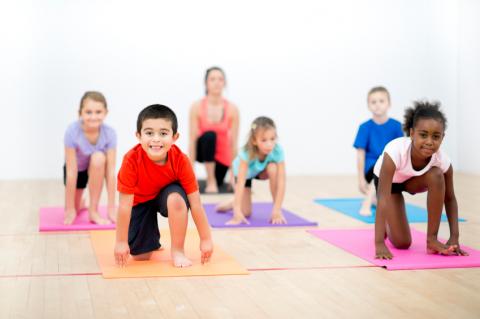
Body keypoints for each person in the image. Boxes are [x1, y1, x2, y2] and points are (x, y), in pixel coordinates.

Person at [114, 104, 213, 268]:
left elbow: (195, 203)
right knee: (140, 257)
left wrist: (206, 239)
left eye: (163, 133)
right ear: (138, 136)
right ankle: (152, 239)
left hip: (166, 196)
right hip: (141, 202)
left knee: (176, 199)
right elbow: (124, 206)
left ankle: (178, 251)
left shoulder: (181, 160)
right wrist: (121, 242)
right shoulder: (131, 161)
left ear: (175, 137)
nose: (156, 139)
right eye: (149, 133)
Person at [373, 101, 468, 259]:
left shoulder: (442, 160)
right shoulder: (394, 151)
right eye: (423, 135)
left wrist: (454, 237)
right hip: (391, 186)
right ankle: (387, 224)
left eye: (435, 136)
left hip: (412, 181)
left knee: (437, 175)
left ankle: (432, 240)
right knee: (402, 243)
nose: (429, 141)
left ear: (442, 138)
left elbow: (450, 199)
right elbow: (382, 199)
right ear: (411, 133)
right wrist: (379, 243)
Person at [216, 116, 286, 225]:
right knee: (246, 212)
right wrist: (237, 211)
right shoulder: (246, 153)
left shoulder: (277, 151)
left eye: (272, 139)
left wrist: (277, 210)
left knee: (273, 168)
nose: (269, 144)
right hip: (244, 175)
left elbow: (281, 181)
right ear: (254, 140)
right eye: (264, 140)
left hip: (261, 172)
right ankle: (231, 203)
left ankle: (275, 207)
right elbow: (241, 182)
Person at [64, 91, 116, 225]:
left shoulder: (110, 134)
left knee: (98, 157)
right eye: (88, 112)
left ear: (106, 113)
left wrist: (111, 208)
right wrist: (69, 209)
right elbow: (71, 172)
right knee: (75, 208)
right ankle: (78, 204)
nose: (93, 117)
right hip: (78, 171)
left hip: (96, 170)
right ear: (80, 113)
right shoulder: (72, 132)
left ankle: (93, 211)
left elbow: (110, 172)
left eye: (98, 112)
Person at [353, 86, 403, 216]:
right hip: (371, 168)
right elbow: (360, 154)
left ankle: (375, 199)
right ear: (368, 105)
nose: (377, 105)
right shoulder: (364, 127)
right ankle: (367, 203)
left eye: (381, 101)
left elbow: (401, 151)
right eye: (373, 102)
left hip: (391, 167)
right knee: (380, 169)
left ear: (389, 104)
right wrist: (360, 179)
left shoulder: (396, 126)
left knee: (385, 168)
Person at [189, 66, 239, 193]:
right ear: (206, 83)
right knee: (209, 136)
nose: (217, 82)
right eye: (212, 79)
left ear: (224, 83)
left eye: (220, 79)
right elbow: (192, 141)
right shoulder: (196, 107)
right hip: (203, 151)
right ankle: (210, 181)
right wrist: (190, 174)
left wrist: (234, 176)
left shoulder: (232, 109)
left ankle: (215, 179)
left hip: (222, 157)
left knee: (220, 181)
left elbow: (234, 144)